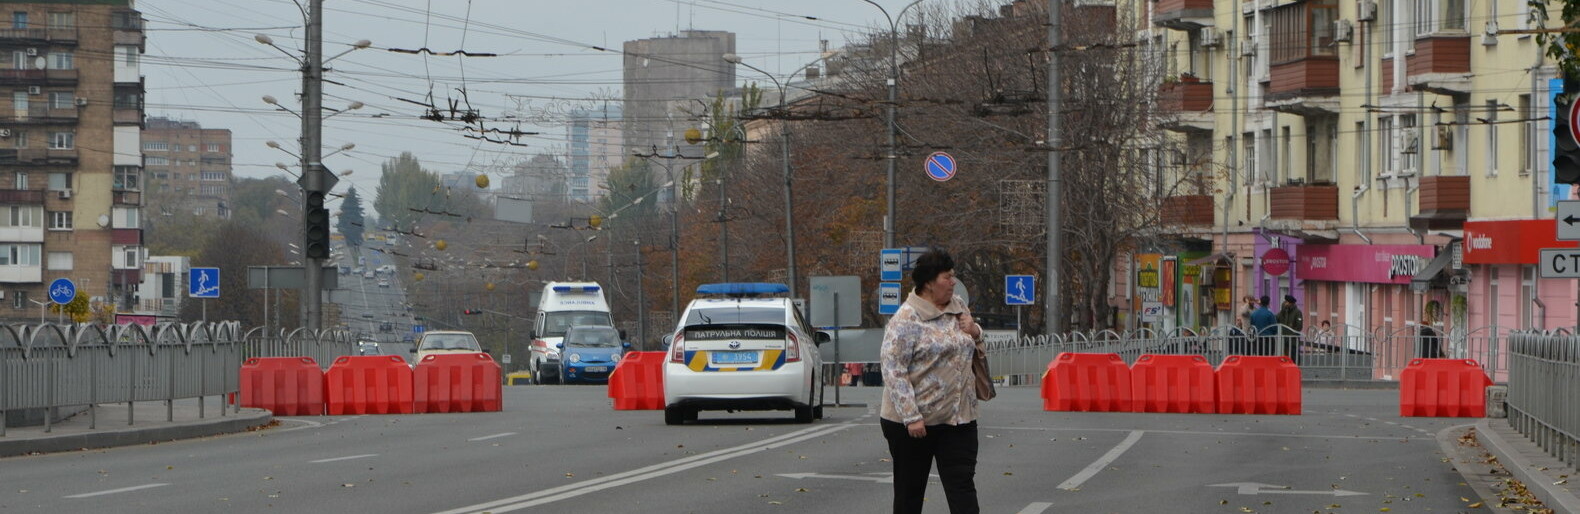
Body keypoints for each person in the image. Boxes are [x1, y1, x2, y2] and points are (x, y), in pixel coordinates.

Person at [880, 249, 981, 514]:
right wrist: (911, 417)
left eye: (954, 276)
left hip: (959, 420)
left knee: (963, 490)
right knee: (910, 494)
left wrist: (976, 331)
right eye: (947, 277)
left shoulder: (959, 307)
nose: (953, 282)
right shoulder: (906, 319)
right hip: (915, 424)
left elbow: (974, 348)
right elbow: (893, 369)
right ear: (928, 282)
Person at [1275, 294, 1304, 363]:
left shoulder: (1297, 312)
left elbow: (1299, 326)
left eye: (1287, 302)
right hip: (1284, 338)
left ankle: (1296, 367)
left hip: (1293, 339)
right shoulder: (1282, 312)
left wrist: (1292, 334)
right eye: (1285, 302)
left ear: (1291, 303)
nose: (1285, 303)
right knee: (1285, 356)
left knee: (1294, 356)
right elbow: (1276, 320)